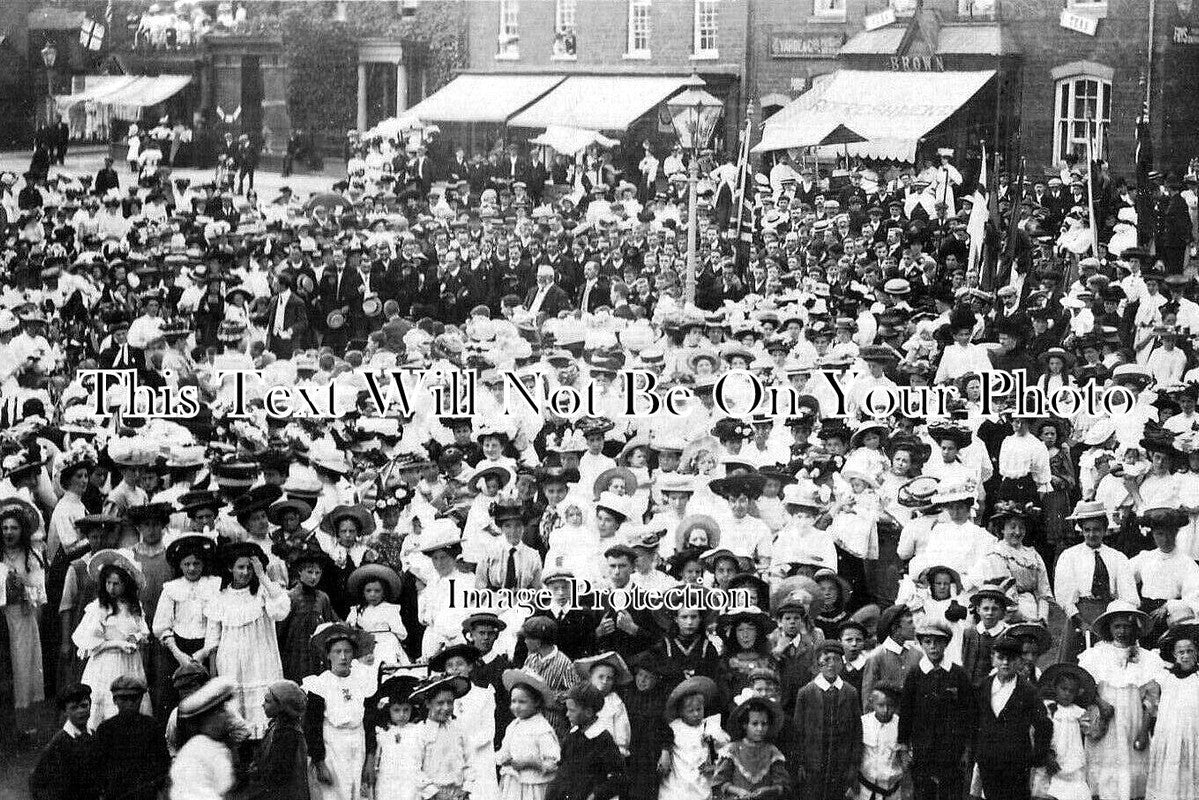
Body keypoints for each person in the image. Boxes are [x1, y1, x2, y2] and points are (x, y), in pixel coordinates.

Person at [1077, 601, 1164, 800]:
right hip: (1106, 719)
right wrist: (1101, 703)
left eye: (1127, 626)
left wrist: (1143, 731)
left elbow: (1151, 701)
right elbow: (1085, 688)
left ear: (1135, 628)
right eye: (1117, 626)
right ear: (1109, 628)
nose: (1122, 631)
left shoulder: (1146, 658)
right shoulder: (1096, 655)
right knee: (1107, 768)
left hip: (1133, 720)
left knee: (1132, 770)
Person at [204, 541, 290, 737]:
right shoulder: (220, 596)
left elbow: (281, 611)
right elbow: (212, 640)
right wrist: (213, 675)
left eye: (250, 568)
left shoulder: (264, 591)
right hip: (230, 661)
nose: (245, 572)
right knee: (236, 717)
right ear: (230, 568)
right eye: (240, 567)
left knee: (263, 717)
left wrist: (263, 576)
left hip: (260, 661)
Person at [72, 549, 151, 730]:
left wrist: (136, 637)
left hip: (130, 663)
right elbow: (93, 644)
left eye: (117, 583)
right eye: (108, 583)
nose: (111, 588)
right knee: (106, 706)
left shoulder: (134, 607)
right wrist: (118, 644)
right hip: (107, 663)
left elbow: (143, 630)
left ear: (126, 584)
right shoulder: (99, 608)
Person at [898, 619, 975, 800]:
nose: (933, 647)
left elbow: (969, 713)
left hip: (951, 750)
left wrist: (966, 749)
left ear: (946, 643)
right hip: (923, 748)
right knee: (924, 792)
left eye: (938, 642)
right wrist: (903, 746)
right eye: (928, 642)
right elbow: (906, 713)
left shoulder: (959, 674)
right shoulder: (915, 675)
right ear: (922, 644)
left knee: (951, 792)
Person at [302, 622, 379, 800]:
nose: (343, 657)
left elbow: (369, 722)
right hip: (333, 747)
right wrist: (319, 762)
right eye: (337, 652)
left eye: (348, 651)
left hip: (358, 743)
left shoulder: (362, 681)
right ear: (328, 655)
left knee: (360, 793)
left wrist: (369, 758)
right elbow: (312, 726)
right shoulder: (319, 684)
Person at [972, 636, 1052, 800]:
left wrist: (1036, 757)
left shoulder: (1027, 691)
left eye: (1012, 659)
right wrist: (978, 750)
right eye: (1001, 658)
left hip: (1016, 763)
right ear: (992, 659)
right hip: (988, 760)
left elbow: (1044, 725)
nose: (1005, 663)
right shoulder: (983, 687)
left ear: (1019, 661)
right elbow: (973, 721)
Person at [791, 641, 863, 800]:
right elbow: (798, 731)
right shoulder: (806, 692)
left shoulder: (850, 692)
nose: (831, 664)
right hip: (813, 765)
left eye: (836, 659)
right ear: (818, 663)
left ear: (842, 663)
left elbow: (857, 733)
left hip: (840, 766)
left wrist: (853, 766)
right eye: (826, 659)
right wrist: (801, 763)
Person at [92, 676, 171, 800]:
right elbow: (98, 769)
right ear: (114, 700)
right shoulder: (106, 730)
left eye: (134, 698)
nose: (129, 703)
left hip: (145, 794)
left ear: (141, 699)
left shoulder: (152, 727)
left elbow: (163, 763)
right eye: (123, 699)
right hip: (116, 794)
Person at [1145, 623, 1199, 800]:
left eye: (1190, 651)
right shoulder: (1165, 677)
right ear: (1174, 655)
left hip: (1193, 735)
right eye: (1181, 652)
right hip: (1169, 736)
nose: (1185, 656)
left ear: (1196, 653)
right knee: (1169, 778)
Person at [546, 682, 625, 800]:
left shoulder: (603, 739)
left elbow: (618, 777)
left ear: (588, 712)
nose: (567, 714)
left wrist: (596, 795)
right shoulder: (572, 735)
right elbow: (563, 767)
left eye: (572, 710)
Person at [659, 675, 728, 800]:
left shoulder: (709, 726)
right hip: (679, 779)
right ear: (681, 712)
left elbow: (723, 749)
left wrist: (714, 764)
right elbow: (665, 742)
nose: (696, 714)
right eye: (690, 711)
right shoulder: (675, 727)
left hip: (701, 779)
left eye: (699, 709)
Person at [169, 677, 238, 800]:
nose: (227, 715)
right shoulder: (194, 755)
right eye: (221, 711)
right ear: (206, 718)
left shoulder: (216, 746)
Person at [497, 669, 562, 800]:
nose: (516, 706)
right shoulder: (513, 725)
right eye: (513, 701)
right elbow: (505, 750)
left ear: (536, 702)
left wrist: (530, 763)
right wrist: (504, 758)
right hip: (514, 784)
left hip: (533, 786)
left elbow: (553, 762)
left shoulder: (541, 728)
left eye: (522, 702)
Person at [712, 695, 791, 800]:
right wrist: (738, 791)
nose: (760, 728)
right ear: (745, 725)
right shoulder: (732, 750)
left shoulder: (772, 752)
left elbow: (782, 785)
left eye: (764, 724)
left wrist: (768, 790)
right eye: (755, 724)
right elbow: (720, 782)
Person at [29, 683, 100, 800]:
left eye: (84, 705)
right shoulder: (58, 742)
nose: (81, 711)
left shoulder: (93, 735)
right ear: (65, 712)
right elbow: (37, 781)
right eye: (74, 708)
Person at [412, 673, 475, 800]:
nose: (446, 708)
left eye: (450, 702)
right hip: (432, 795)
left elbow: (470, 761)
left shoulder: (458, 729)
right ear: (428, 703)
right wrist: (434, 793)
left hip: (457, 793)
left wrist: (466, 788)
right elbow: (413, 768)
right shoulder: (420, 732)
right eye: (440, 703)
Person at [246, 679, 311, 800]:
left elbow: (278, 775)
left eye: (267, 701)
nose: (262, 704)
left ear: (282, 706)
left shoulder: (288, 733)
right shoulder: (275, 726)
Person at [857, 684, 905, 800]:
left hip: (891, 791)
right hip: (865, 789)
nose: (885, 710)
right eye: (880, 705)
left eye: (890, 706)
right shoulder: (863, 723)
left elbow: (905, 756)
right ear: (872, 703)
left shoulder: (901, 726)